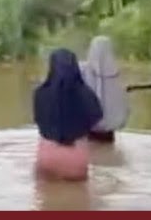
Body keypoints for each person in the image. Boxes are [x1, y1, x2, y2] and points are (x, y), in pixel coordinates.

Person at [33, 48, 103, 182]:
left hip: (47, 156)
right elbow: (97, 117)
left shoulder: (40, 93)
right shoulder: (86, 94)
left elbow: (38, 119)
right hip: (76, 159)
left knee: (46, 199)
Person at [80, 35, 128, 143]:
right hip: (108, 132)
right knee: (108, 153)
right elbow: (123, 105)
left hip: (87, 130)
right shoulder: (116, 75)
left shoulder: (83, 71)